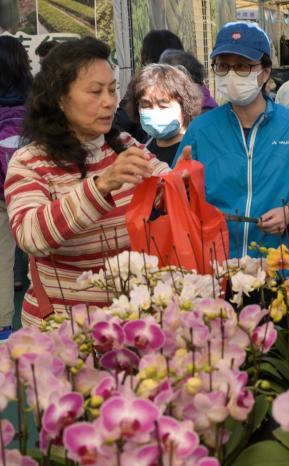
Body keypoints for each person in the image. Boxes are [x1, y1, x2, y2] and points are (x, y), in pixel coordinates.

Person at [4, 38, 170, 327]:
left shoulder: (125, 146)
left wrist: (182, 182)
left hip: (127, 324)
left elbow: (165, 188)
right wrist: (101, 185)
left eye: (112, 89)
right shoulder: (30, 161)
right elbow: (31, 236)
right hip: (61, 331)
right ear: (59, 97)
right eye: (95, 91)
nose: (108, 101)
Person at [172, 22, 289, 258]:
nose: (231, 74)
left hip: (277, 266)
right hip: (216, 265)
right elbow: (178, 198)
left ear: (265, 72)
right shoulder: (201, 130)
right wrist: (177, 185)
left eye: (243, 67)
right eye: (223, 66)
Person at [0, 36, 32, 339]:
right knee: (43, 251)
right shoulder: (35, 97)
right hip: (33, 183)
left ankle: (3, 330)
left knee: (1, 261)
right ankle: (43, 319)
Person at [126, 64, 202, 166]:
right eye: (146, 106)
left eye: (163, 106)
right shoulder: (144, 148)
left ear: (184, 107)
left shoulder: (195, 151)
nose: (155, 112)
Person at [116, 30, 185, 143]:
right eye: (146, 105)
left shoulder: (142, 86)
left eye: (163, 105)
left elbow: (122, 124)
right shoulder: (188, 86)